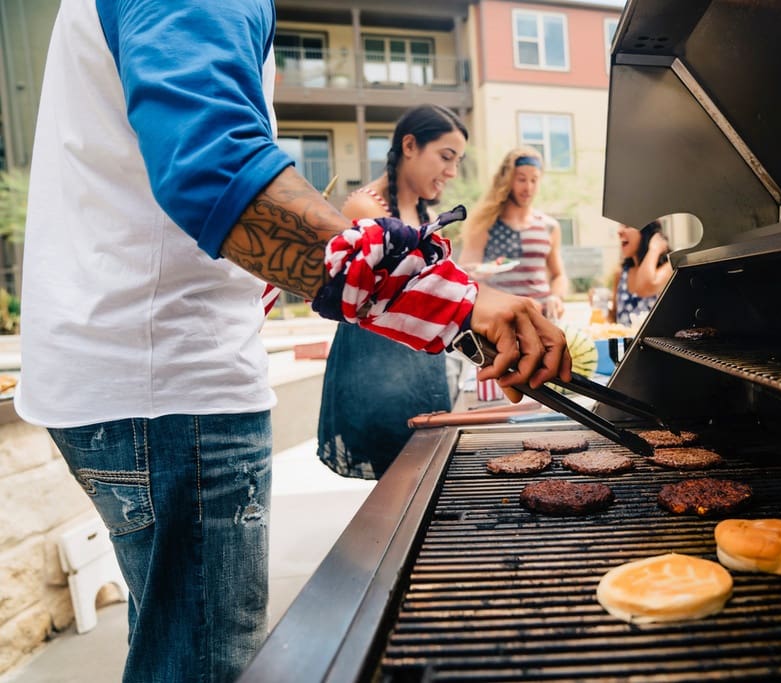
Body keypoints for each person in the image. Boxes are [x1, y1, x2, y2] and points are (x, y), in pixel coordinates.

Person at [13, 3, 570, 681]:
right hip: (171, 392)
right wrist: (456, 301)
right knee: (205, 666)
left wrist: (375, 269)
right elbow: (217, 170)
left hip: (134, 380)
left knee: (170, 644)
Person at [318, 104, 469, 480]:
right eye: (445, 157)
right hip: (376, 362)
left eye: (457, 161)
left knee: (423, 471)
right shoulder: (365, 205)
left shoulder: (419, 209)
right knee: (397, 478)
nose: (451, 172)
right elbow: (391, 286)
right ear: (410, 146)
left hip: (417, 360)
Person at [459, 147, 569, 320]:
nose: (528, 187)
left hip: (542, 321)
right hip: (499, 322)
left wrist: (556, 297)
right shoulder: (484, 225)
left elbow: (559, 275)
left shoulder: (549, 227)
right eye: (521, 179)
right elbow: (466, 278)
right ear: (507, 180)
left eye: (534, 180)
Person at [610, 220, 672, 326]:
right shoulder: (620, 273)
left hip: (652, 342)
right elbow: (614, 316)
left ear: (646, 232)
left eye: (627, 225)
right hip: (627, 342)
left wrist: (654, 249)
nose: (619, 231)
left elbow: (645, 287)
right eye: (620, 226)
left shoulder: (668, 268)